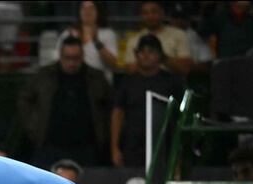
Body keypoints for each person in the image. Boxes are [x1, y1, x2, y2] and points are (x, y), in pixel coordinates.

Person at [19, 36, 113, 168]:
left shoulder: (96, 78)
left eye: (76, 58)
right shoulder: (44, 75)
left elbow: (110, 107)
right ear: (60, 56)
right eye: (67, 58)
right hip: (49, 145)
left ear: (82, 56)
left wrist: (103, 133)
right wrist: (33, 127)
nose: (72, 63)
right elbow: (25, 99)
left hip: (86, 147)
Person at [111, 35, 185, 168]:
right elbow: (117, 114)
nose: (146, 56)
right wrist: (115, 148)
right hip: (133, 145)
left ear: (160, 55)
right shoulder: (127, 82)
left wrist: (179, 151)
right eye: (142, 51)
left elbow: (180, 118)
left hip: (164, 144)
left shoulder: (172, 82)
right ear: (136, 54)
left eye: (151, 51)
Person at [124, 1, 193, 76]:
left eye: (154, 12)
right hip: (143, 85)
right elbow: (130, 70)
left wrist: (161, 57)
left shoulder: (179, 35)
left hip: (173, 85)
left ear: (162, 13)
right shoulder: (134, 39)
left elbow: (185, 69)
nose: (150, 16)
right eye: (145, 13)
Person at [57, 1, 119, 84]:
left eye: (91, 8)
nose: (87, 11)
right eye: (83, 8)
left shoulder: (108, 34)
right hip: (72, 85)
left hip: (100, 86)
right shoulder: (67, 34)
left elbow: (113, 63)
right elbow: (59, 61)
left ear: (98, 12)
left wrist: (97, 42)